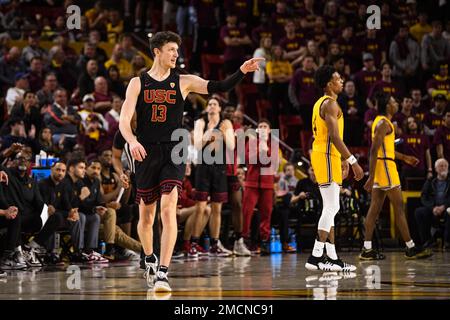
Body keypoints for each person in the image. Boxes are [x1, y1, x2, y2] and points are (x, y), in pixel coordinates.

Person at [119, 31, 263, 292]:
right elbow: (124, 120)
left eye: (177, 50)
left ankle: (163, 271)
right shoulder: (138, 83)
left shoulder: (183, 81)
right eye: (172, 49)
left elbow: (219, 87)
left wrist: (241, 71)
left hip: (174, 150)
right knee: (146, 216)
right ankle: (149, 257)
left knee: (168, 207)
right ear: (157, 52)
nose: (176, 54)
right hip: (146, 151)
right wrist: (132, 141)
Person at [360, 92, 433, 260]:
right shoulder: (384, 123)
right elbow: (373, 150)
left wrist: (405, 157)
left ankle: (367, 249)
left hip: (383, 165)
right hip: (385, 167)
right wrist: (370, 177)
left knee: (374, 209)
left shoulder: (381, 122)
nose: (397, 103)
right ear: (387, 105)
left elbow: (386, 149)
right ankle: (410, 247)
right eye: (394, 101)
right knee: (399, 207)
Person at [305, 65, 364, 272]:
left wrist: (344, 160)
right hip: (327, 155)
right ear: (329, 83)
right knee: (332, 207)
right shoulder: (330, 104)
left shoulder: (321, 103)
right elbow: (335, 137)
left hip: (326, 154)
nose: (342, 81)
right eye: (338, 78)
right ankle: (315, 255)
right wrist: (354, 161)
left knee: (331, 207)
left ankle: (331, 257)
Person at [188, 97, 234, 258]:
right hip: (203, 167)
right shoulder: (201, 122)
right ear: (207, 108)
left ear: (220, 109)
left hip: (219, 168)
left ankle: (215, 244)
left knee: (217, 209)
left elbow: (231, 146)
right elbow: (198, 145)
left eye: (215, 104)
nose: (212, 106)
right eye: (210, 104)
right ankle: (193, 243)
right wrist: (211, 132)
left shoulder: (226, 123)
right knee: (200, 207)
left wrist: (223, 133)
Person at [414, 158, 450, 249]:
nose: (443, 168)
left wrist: (444, 206)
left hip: (447, 207)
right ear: (436, 169)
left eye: (445, 166)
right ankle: (428, 241)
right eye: (441, 166)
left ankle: (447, 241)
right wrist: (432, 207)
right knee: (419, 212)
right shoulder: (430, 181)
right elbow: (424, 197)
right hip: (433, 209)